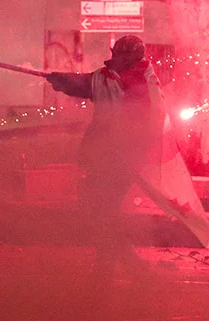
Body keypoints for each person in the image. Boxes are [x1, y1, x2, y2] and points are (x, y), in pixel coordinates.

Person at [46, 35, 162, 281]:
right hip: (102, 156)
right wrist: (60, 79)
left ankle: (108, 272)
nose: (114, 58)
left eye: (120, 55)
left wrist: (66, 81)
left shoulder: (140, 84)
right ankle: (129, 270)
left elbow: (140, 124)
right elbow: (85, 83)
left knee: (102, 215)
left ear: (131, 59)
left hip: (121, 160)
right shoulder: (107, 77)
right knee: (101, 215)